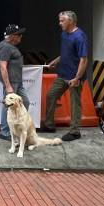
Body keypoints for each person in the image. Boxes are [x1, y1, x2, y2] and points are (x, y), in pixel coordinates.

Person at [39, 11, 88, 142]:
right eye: (60, 20)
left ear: (70, 21)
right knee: (51, 95)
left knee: (74, 103)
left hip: (74, 77)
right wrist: (56, 60)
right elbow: (67, 53)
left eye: (62, 21)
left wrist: (77, 78)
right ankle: (49, 125)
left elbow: (83, 60)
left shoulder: (79, 37)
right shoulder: (64, 34)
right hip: (62, 74)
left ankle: (75, 131)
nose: (59, 23)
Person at [0, 24, 30, 141]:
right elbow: (3, 67)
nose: (21, 37)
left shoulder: (10, 46)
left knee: (25, 101)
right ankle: (5, 132)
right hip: (11, 82)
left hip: (17, 81)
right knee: (8, 106)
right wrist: (8, 86)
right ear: (13, 36)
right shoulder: (5, 47)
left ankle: (17, 126)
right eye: (19, 34)